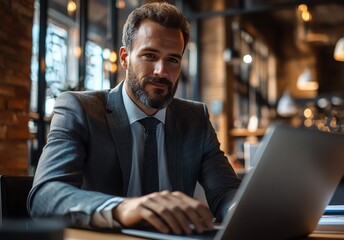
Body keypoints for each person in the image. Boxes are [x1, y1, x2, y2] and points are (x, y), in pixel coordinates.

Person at [28, 2, 241, 235]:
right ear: (125, 58)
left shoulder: (195, 118)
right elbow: (45, 195)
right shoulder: (81, 110)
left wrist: (239, 210)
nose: (161, 71)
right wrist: (121, 208)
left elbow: (226, 192)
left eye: (173, 59)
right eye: (150, 55)